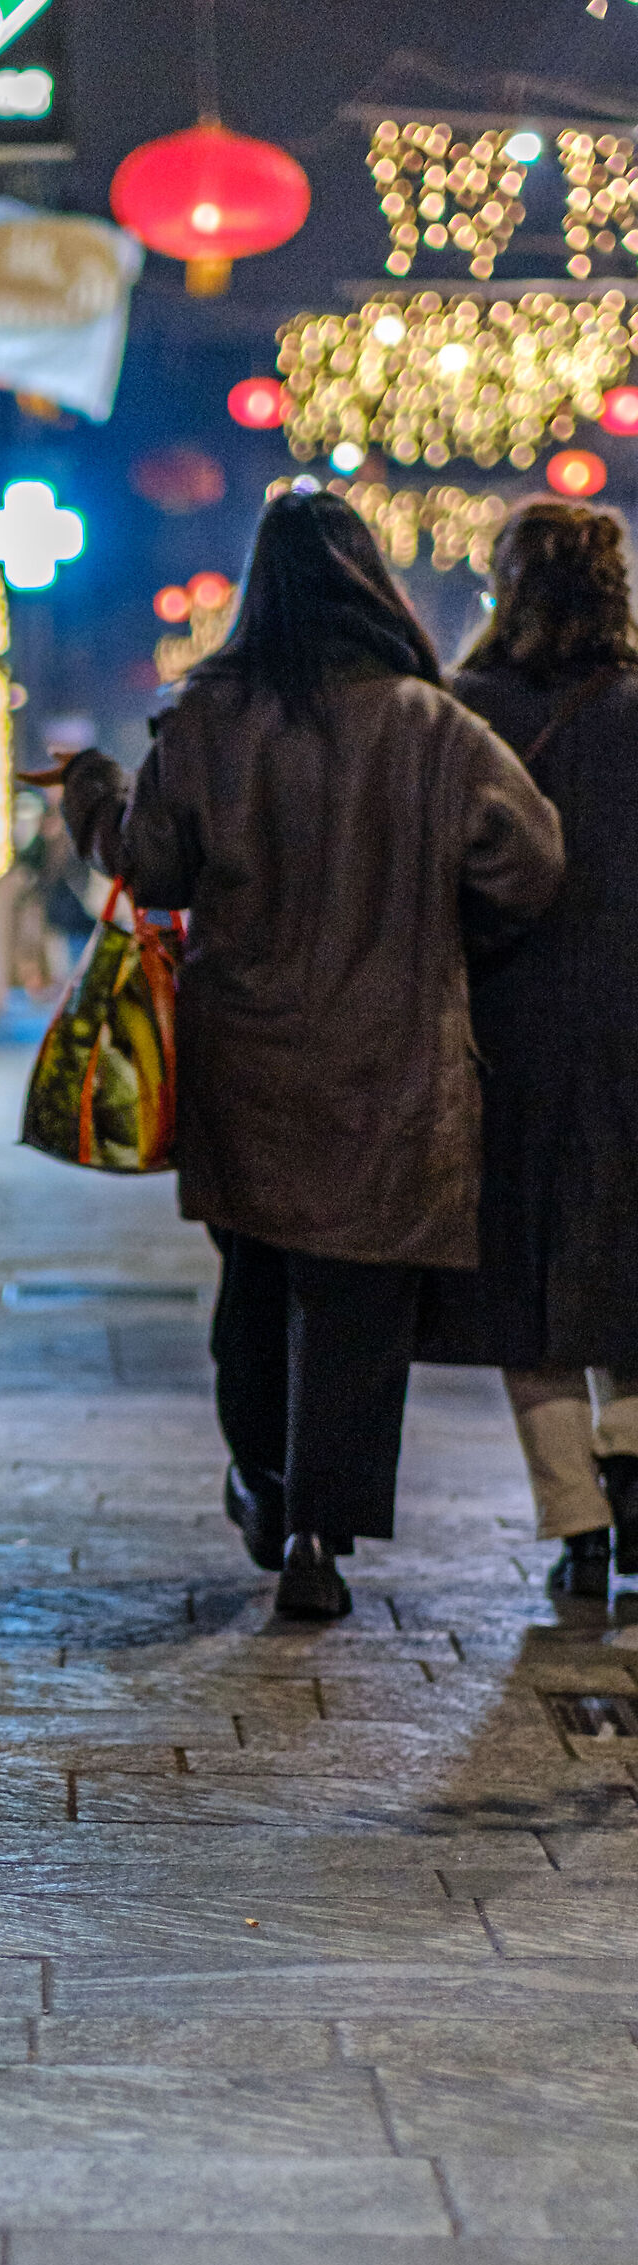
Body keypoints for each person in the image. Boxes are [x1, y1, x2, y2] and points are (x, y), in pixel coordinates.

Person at [54, 490, 564, 1622]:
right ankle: (317, 1535)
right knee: (357, 1307)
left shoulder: (209, 718)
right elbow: (527, 864)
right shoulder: (434, 728)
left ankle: (265, 1482)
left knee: (258, 1283)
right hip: (391, 1069)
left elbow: (154, 864)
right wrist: (447, 938)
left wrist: (91, 789)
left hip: (249, 1065)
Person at [421, 502, 638, 1610]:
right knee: (628, 1265)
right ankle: (633, 1460)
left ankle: (578, 1522)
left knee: (531, 1291)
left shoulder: (469, 715)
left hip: (509, 1031)